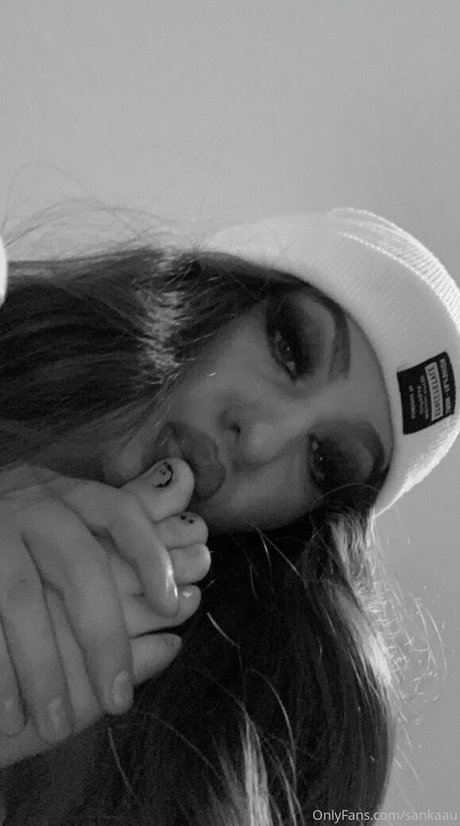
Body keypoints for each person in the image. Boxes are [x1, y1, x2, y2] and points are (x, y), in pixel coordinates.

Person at [0, 207, 458, 824]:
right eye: (290, 349)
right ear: (213, 288)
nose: (261, 440)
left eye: (323, 462)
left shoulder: (235, 735)